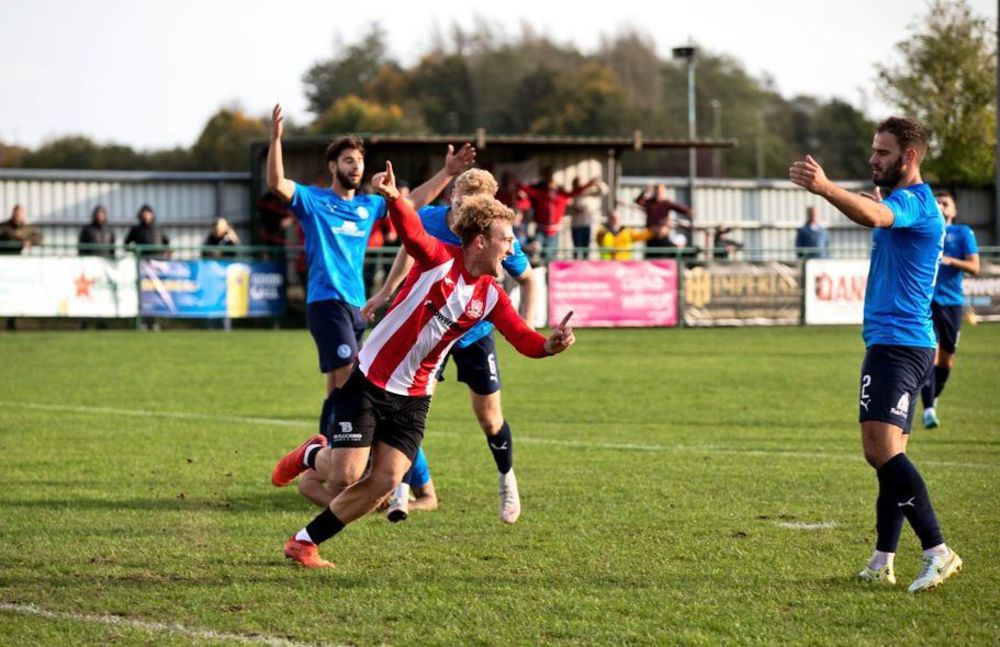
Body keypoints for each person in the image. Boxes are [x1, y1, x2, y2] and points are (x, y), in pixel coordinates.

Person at [271, 161, 575, 568]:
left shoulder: (492, 296)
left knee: (385, 481)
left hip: (415, 397)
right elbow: (412, 233)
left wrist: (551, 345)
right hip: (371, 380)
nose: (511, 247)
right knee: (344, 475)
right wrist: (395, 198)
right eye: (505, 239)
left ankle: (304, 542)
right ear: (480, 241)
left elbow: (523, 339)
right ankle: (313, 454)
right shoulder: (439, 259)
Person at [266, 103, 475, 504]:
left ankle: (327, 458)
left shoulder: (365, 206)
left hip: (358, 306)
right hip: (326, 303)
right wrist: (276, 139)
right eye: (348, 160)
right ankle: (342, 465)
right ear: (333, 166)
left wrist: (447, 173)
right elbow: (277, 181)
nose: (356, 167)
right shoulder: (313, 201)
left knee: (340, 388)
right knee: (356, 384)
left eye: (359, 161)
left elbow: (407, 202)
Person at [789, 116, 962, 594]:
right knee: (891, 454)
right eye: (873, 150)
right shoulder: (904, 201)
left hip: (898, 344)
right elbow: (870, 206)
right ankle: (882, 561)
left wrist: (824, 188)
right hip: (904, 342)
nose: (873, 159)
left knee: (880, 451)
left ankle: (938, 551)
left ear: (909, 157)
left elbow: (874, 215)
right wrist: (836, 189)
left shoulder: (912, 203)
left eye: (882, 152)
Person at [360, 168, 537, 524]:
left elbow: (528, 277)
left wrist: (527, 326)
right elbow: (408, 250)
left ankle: (507, 480)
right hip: (428, 331)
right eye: (457, 200)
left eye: (469, 204)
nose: (459, 208)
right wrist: (387, 291)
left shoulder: (499, 237)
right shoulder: (430, 219)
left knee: (489, 419)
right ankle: (399, 491)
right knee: (406, 404)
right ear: (451, 195)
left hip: (473, 331)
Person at [920, 191, 979, 429]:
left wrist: (952, 261)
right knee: (928, 354)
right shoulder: (926, 230)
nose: (941, 206)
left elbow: (974, 266)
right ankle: (928, 410)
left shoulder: (962, 233)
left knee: (946, 360)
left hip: (952, 303)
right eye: (937, 203)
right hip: (926, 302)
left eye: (946, 203)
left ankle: (932, 397)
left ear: (953, 211)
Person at [518, 168, 597, 261]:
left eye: (554, 188)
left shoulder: (562, 196)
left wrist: (589, 184)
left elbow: (575, 192)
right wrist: (516, 183)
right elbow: (528, 190)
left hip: (554, 232)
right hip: (541, 230)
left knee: (551, 256)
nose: (551, 191)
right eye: (549, 188)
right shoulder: (541, 195)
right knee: (536, 254)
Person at [634, 184, 692, 250]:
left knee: (664, 252)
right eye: (657, 192)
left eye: (661, 192)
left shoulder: (666, 203)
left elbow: (680, 209)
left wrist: (688, 211)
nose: (659, 194)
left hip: (662, 234)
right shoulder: (649, 202)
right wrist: (644, 192)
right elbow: (638, 201)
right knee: (652, 254)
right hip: (651, 234)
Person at [569, 177, 606, 259]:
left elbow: (604, 191)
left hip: (587, 224)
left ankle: (585, 264)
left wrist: (598, 183)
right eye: (576, 183)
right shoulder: (574, 194)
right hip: (576, 225)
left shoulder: (589, 193)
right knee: (577, 248)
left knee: (586, 248)